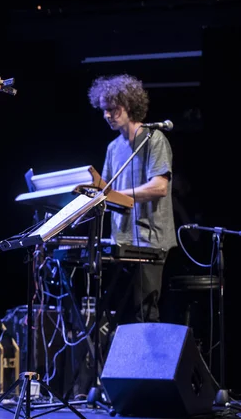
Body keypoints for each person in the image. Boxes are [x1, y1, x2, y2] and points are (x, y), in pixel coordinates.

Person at [88, 74, 177, 324]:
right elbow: (104, 190)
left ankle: (151, 363)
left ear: (129, 105)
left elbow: (159, 187)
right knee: (122, 313)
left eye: (112, 109)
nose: (107, 115)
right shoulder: (113, 148)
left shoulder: (154, 139)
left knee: (145, 312)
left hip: (150, 240)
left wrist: (113, 194)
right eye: (103, 110)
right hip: (122, 239)